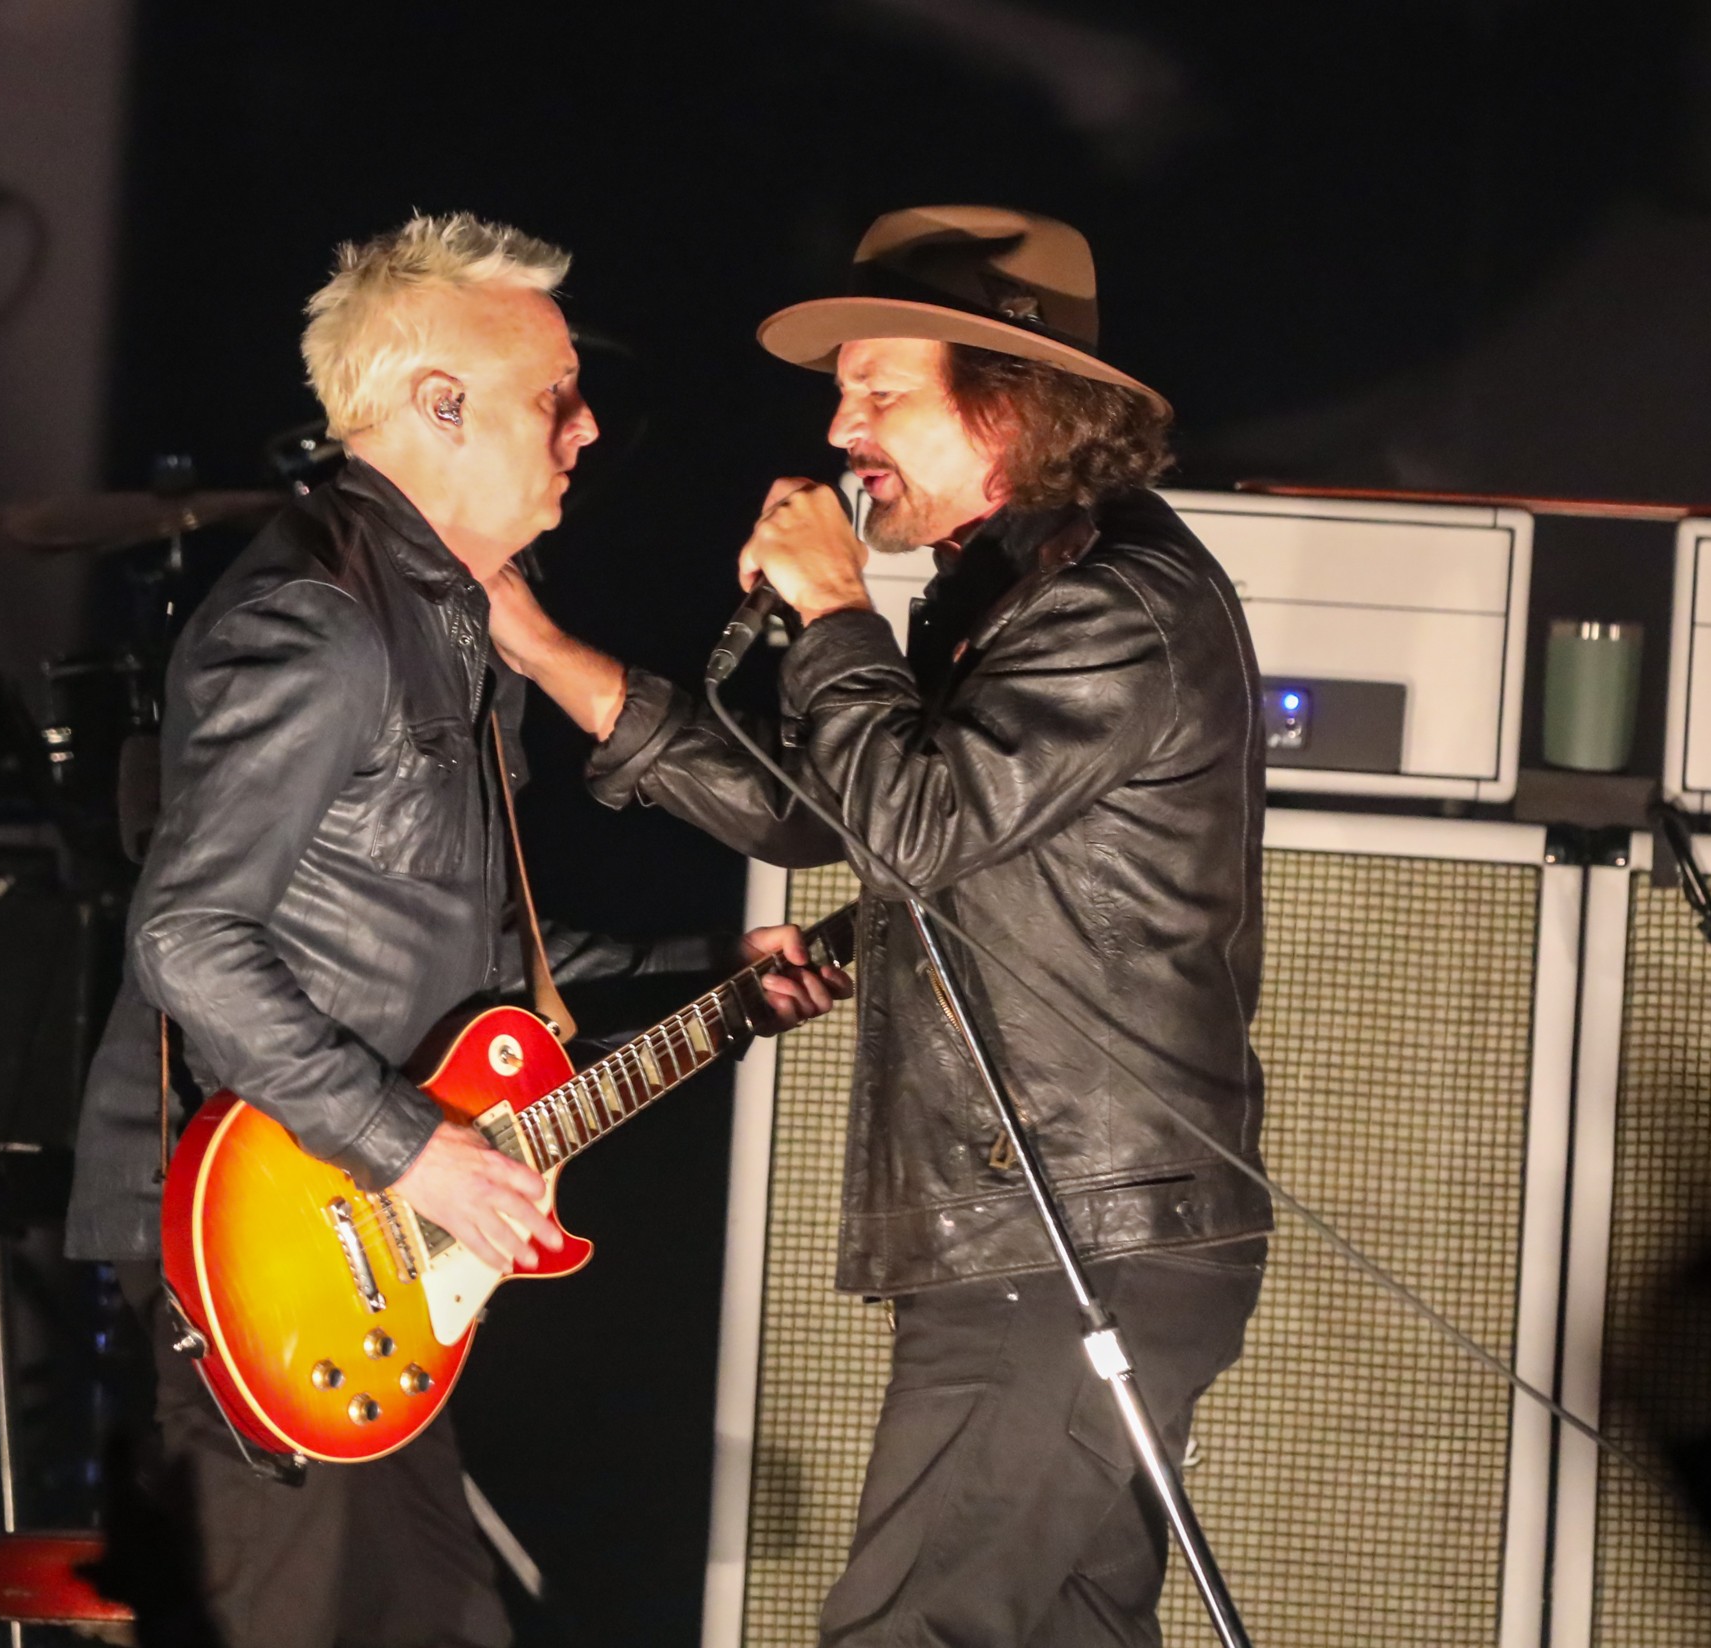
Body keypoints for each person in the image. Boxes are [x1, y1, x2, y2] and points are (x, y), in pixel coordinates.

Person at [486, 204, 1273, 1645]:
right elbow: (827, 813)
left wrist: (838, 608)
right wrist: (544, 651)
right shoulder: (1006, 594)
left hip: (1065, 1238)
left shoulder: (1117, 606)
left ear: (1013, 404)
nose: (842, 424)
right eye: (843, 388)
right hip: (1054, 1231)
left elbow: (910, 822)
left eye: (880, 390)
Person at [63, 211, 846, 1648]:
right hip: (261, 1242)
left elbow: (483, 980)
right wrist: (417, 1147)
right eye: (553, 395)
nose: (588, 426)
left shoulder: (448, 625)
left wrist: (712, 979)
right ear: (440, 405)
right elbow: (186, 936)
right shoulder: (317, 620)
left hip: (367, 1254)